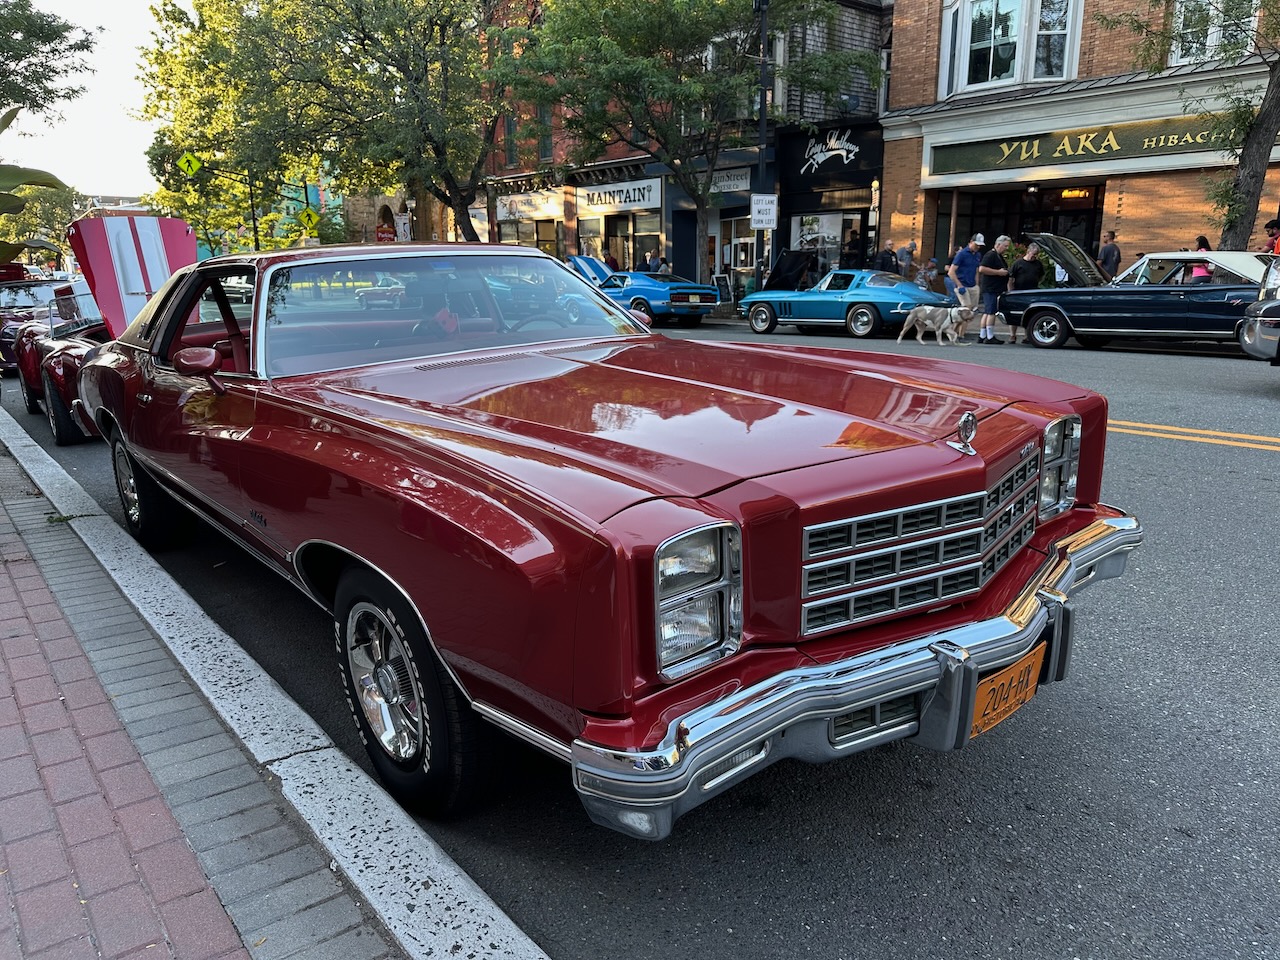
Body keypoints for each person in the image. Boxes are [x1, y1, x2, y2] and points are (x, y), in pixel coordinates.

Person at [976, 234, 1011, 344]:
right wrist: (999, 272)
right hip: (991, 288)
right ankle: (990, 336)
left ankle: (982, 335)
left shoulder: (998, 256)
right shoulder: (990, 255)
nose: (1006, 248)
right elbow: (982, 269)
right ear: (998, 244)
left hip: (994, 288)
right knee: (991, 312)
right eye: (1005, 246)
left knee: (987, 312)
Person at [1008, 241, 1044, 344]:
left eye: (1036, 255)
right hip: (1018, 291)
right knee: (1014, 314)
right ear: (1028, 251)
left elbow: (1041, 275)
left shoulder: (1038, 264)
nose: (1034, 257)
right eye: (1033, 254)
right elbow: (1011, 278)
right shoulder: (1018, 263)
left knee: (1029, 314)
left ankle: (1026, 336)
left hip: (1032, 292)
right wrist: (1011, 291)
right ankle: (1012, 335)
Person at [948, 234, 984, 311]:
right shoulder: (962, 254)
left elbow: (976, 270)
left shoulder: (977, 255)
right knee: (966, 309)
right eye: (976, 245)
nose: (978, 247)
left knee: (973, 310)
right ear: (971, 242)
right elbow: (951, 272)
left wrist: (977, 284)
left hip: (973, 285)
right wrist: (959, 285)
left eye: (979, 245)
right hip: (962, 284)